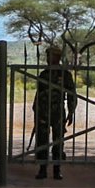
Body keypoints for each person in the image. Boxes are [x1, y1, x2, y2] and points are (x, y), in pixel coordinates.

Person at [32, 45, 77, 180]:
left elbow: (71, 94)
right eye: (47, 55)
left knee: (58, 141)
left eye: (50, 55)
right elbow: (38, 95)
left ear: (57, 57)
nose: (48, 58)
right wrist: (36, 111)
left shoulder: (65, 75)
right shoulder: (44, 74)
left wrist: (71, 111)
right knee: (42, 141)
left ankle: (57, 169)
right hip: (43, 112)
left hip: (58, 112)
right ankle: (42, 169)